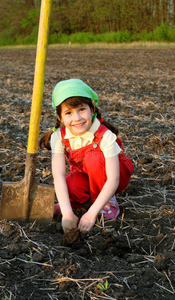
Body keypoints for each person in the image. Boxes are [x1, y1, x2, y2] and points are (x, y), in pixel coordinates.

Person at [39, 79, 134, 233]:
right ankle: (74, 206)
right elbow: (58, 177)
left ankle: (107, 203)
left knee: (93, 158)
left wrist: (91, 214)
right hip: (88, 176)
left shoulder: (105, 135)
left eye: (82, 109)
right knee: (70, 186)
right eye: (69, 113)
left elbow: (114, 179)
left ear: (92, 108)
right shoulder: (59, 137)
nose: (77, 118)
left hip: (116, 175)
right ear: (60, 117)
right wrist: (67, 213)